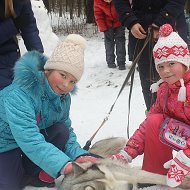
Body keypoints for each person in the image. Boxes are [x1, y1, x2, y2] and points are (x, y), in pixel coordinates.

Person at [0, 34, 99, 190]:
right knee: (10, 185)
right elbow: (29, 138)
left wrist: (79, 155)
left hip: (30, 141)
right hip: (5, 143)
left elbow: (67, 132)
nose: (66, 85)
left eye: (73, 81)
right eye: (63, 75)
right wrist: (64, 165)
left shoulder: (63, 97)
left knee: (61, 130)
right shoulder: (20, 93)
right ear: (48, 70)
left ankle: (33, 171)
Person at [111, 24, 190, 188]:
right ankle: (154, 177)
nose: (166, 71)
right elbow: (148, 126)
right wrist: (127, 153)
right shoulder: (164, 91)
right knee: (154, 120)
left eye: (171, 64)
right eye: (161, 66)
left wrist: (184, 159)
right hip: (183, 137)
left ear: (184, 63)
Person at [112, 0, 187, 111]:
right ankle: (153, 120)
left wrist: (161, 22)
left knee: (179, 81)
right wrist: (130, 21)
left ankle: (180, 123)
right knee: (150, 85)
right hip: (141, 32)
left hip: (172, 28)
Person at [0, 0, 44, 90]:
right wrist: (13, 25)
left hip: (10, 60)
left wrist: (38, 56)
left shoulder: (20, 2)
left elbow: (29, 28)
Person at [94, 0, 126, 70]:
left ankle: (121, 62)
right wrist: (103, 27)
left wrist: (124, 20)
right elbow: (98, 15)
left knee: (120, 42)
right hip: (107, 24)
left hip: (119, 22)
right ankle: (110, 62)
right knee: (109, 43)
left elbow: (124, 9)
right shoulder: (98, 1)